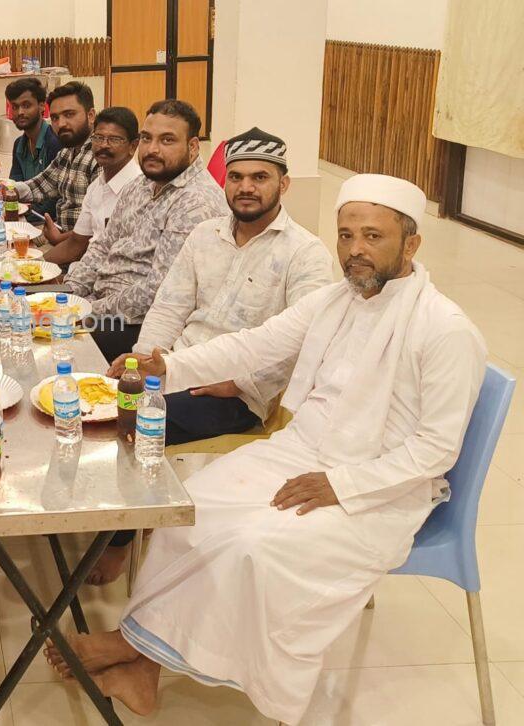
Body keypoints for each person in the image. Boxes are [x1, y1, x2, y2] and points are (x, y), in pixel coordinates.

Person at [45, 174, 487, 726]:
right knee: (187, 507)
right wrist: (168, 365)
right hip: (302, 452)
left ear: (412, 243)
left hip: (377, 490)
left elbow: (436, 449)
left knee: (250, 544)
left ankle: (141, 653)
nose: (355, 250)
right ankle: (143, 661)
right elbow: (255, 346)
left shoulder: (445, 330)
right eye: (346, 235)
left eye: (373, 236)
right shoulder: (336, 300)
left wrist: (341, 485)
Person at [90, 128, 334, 585]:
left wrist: (241, 383)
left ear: (283, 184)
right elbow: (169, 306)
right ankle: (115, 511)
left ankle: (119, 541)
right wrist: (142, 359)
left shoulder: (305, 254)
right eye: (237, 177)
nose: (246, 187)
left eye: (260, 177)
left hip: (235, 393)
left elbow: (303, 342)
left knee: (130, 424)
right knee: (97, 400)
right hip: (177, 366)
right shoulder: (205, 235)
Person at [64, 100, 228, 360]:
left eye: (167, 140)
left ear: (193, 147)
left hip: (140, 323)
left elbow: (158, 291)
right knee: (23, 311)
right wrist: (69, 293)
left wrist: (87, 310)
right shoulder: (140, 184)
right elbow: (103, 246)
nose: (152, 149)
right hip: (102, 303)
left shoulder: (196, 203)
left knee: (53, 342)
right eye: (146, 138)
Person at [43, 106, 142, 266]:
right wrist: (34, 265)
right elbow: (75, 244)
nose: (104, 145)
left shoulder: (140, 190)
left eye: (114, 139)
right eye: (98, 137)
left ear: (133, 146)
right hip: (87, 270)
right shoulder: (96, 187)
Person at [11, 81, 99, 233]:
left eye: (69, 114)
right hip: (58, 232)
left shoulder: (100, 156)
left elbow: (97, 228)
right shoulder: (67, 152)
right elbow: (40, 185)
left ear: (90, 116)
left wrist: (59, 240)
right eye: (55, 118)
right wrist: (9, 191)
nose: (61, 124)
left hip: (77, 242)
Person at [5, 77, 61, 219]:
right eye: (15, 107)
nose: (20, 112)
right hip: (25, 215)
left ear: (42, 106)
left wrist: (20, 214)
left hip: (47, 221)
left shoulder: (55, 143)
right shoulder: (19, 144)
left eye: (26, 105)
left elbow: (54, 201)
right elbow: (14, 187)